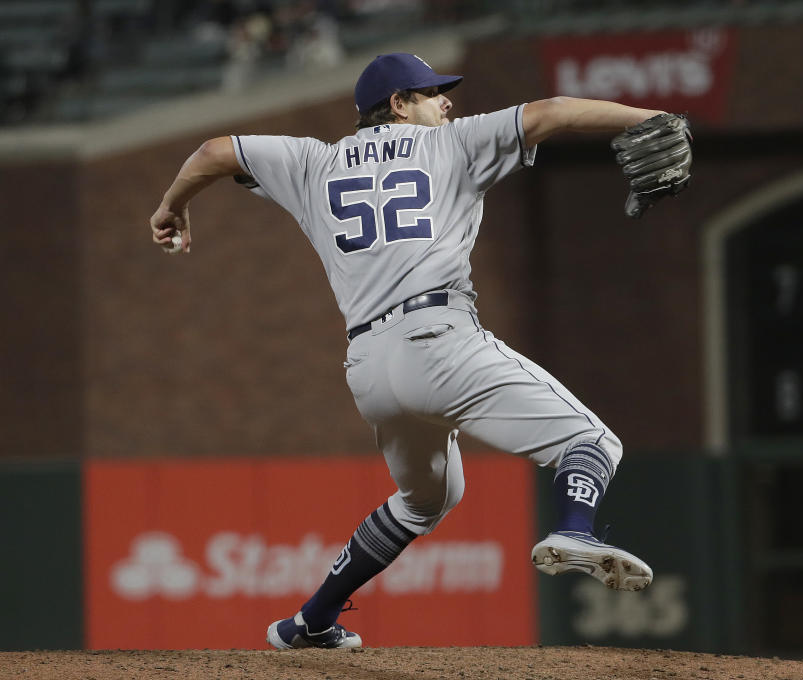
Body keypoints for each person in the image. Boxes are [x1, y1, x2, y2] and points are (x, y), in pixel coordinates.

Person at [149, 52, 665, 649]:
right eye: (431, 93)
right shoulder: (451, 143)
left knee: (427, 500)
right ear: (398, 104)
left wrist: (172, 207)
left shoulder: (314, 160)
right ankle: (577, 530)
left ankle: (310, 621)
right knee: (593, 442)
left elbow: (215, 151)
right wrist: (650, 115)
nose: (446, 103)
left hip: (369, 367)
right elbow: (550, 113)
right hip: (438, 340)